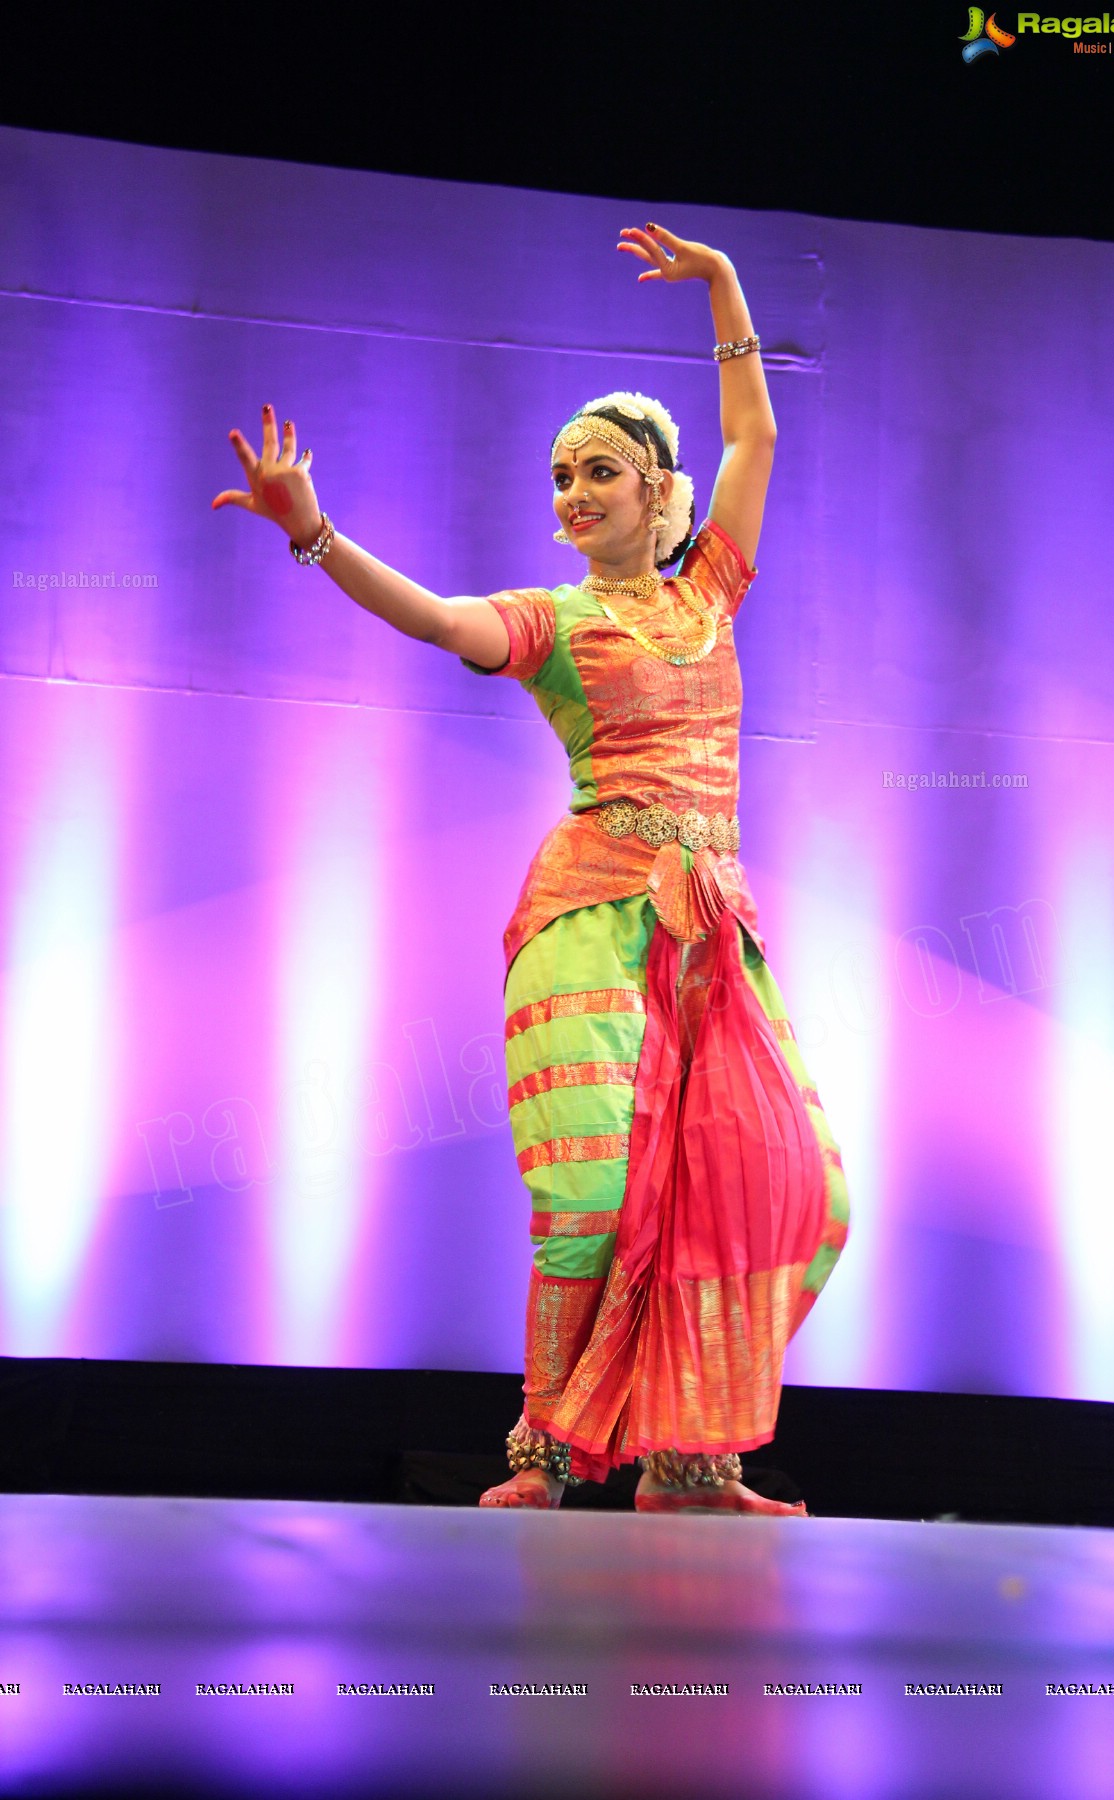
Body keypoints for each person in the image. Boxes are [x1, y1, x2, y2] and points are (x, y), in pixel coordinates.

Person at [214, 224, 849, 1516]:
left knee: (788, 1185)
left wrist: (725, 284)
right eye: (560, 477)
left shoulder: (712, 591)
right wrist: (314, 532)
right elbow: (442, 620)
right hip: (590, 918)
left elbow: (755, 442)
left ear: (657, 491)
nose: (572, 494)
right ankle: (546, 1456)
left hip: (706, 932)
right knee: (598, 1192)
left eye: (599, 473)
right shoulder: (554, 622)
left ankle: (686, 1461)